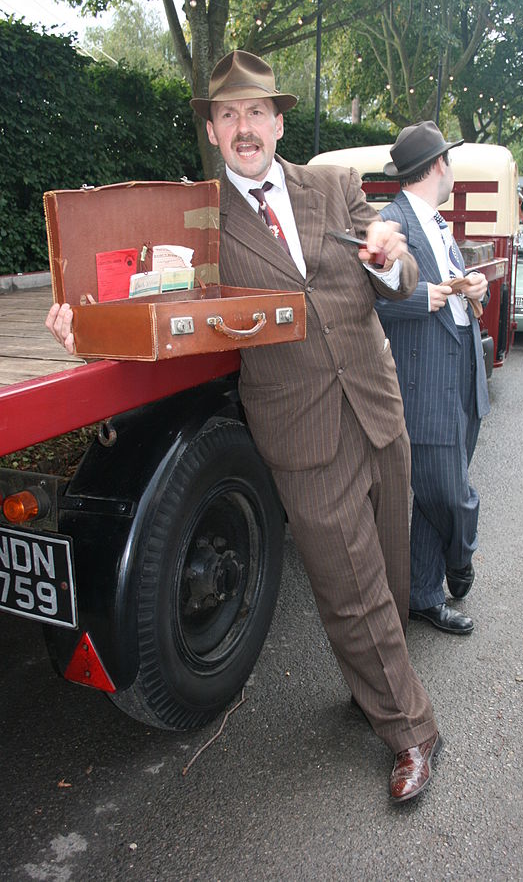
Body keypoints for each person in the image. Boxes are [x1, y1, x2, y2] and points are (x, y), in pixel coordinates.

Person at [46, 51, 442, 803]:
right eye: (227, 114)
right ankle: (412, 730)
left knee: (387, 570)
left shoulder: (332, 185)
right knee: (350, 588)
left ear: (278, 120)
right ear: (214, 130)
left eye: (255, 110)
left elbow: (404, 278)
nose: (243, 125)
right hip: (303, 434)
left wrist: (393, 258)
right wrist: (83, 324)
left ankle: (374, 688)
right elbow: (137, 291)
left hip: (377, 409)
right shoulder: (198, 222)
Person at [375, 121, 490, 636]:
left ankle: (423, 597)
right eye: (450, 162)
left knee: (430, 499)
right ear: (438, 165)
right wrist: (428, 297)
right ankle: (460, 559)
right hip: (424, 388)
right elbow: (370, 300)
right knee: (452, 494)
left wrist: (475, 290)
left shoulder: (438, 225)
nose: (453, 172)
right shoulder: (390, 221)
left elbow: (460, 295)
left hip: (462, 376)